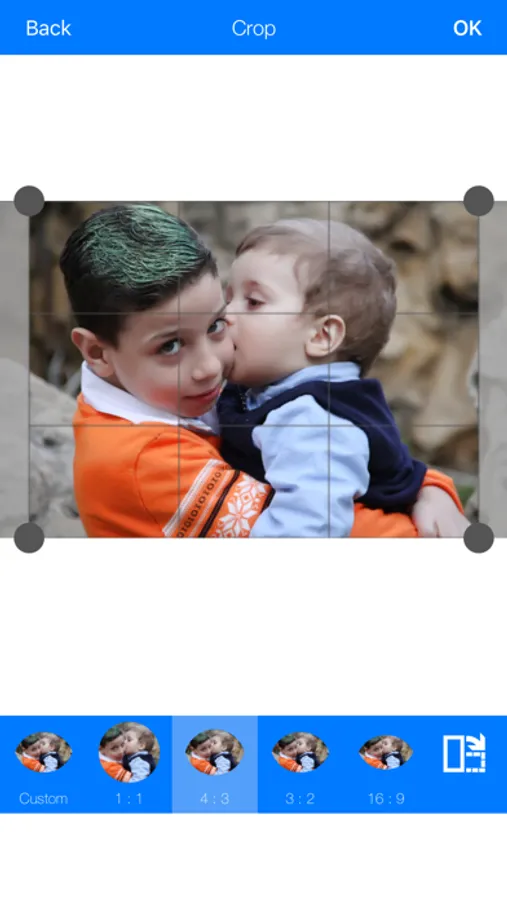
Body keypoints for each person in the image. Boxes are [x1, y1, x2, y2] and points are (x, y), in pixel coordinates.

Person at [62, 204, 466, 538]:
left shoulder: (297, 411)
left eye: (215, 324)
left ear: (322, 335)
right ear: (98, 352)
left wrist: (431, 489)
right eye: (170, 346)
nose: (211, 366)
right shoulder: (143, 462)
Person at [219, 217, 470, 538]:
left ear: (322, 335)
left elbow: (307, 530)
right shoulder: (268, 390)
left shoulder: (314, 421)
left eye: (253, 302)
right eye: (228, 298)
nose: (225, 314)